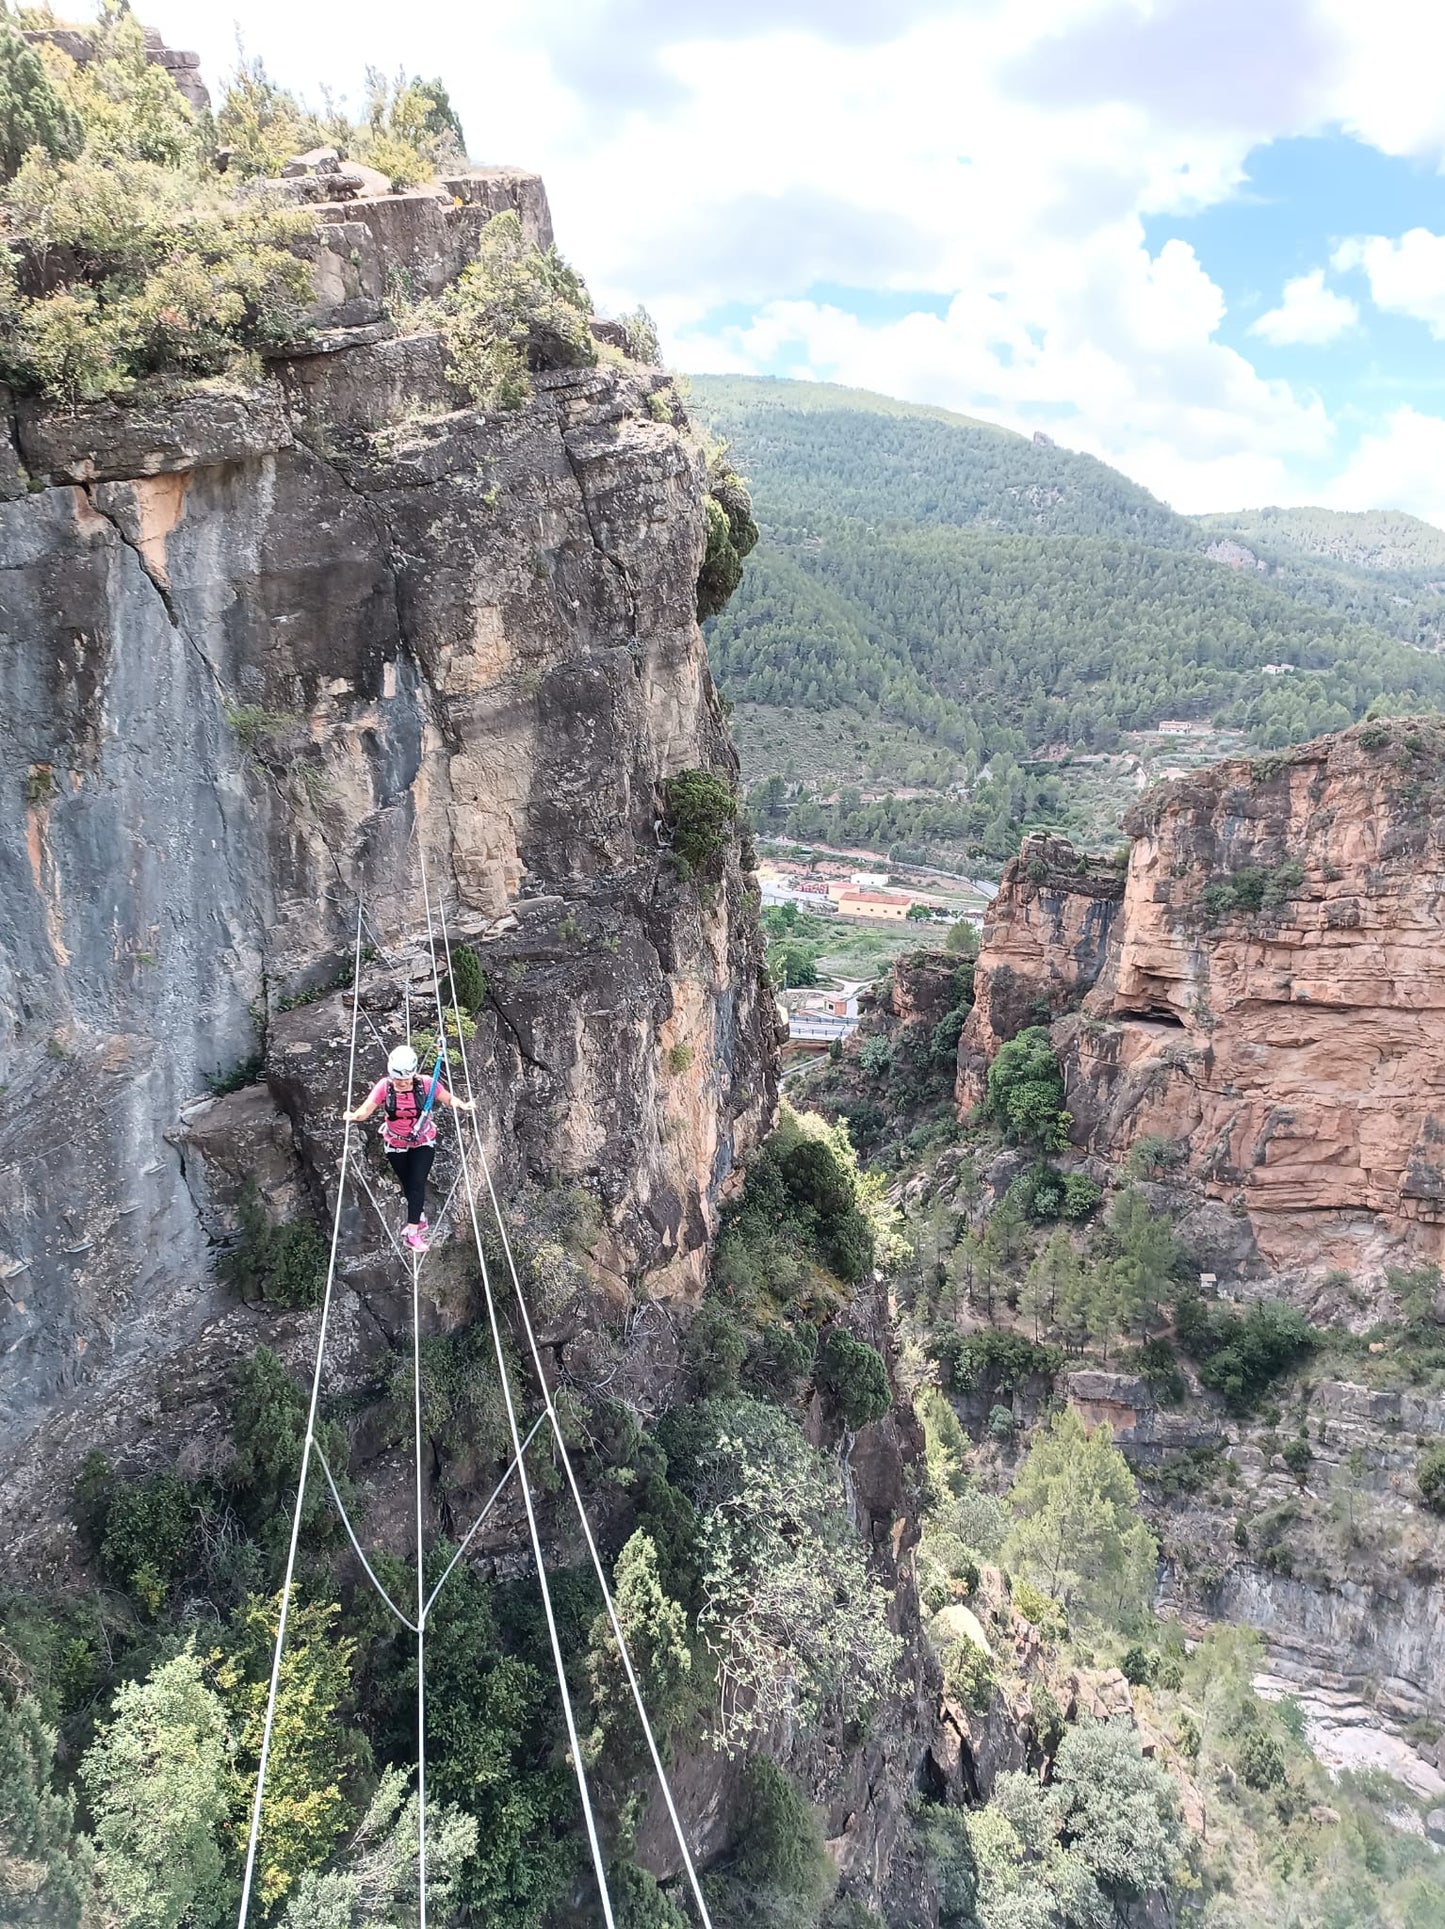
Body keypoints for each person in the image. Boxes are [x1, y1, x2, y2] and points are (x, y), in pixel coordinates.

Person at [343, 1044, 474, 1252]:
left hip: (422, 1140)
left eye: (406, 1079)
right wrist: (353, 1116)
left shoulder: (426, 1084)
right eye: (398, 1080)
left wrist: (463, 1105)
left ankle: (412, 1233)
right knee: (408, 1184)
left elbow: (448, 1099)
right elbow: (366, 1110)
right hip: (395, 1142)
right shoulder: (385, 1087)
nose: (402, 1084)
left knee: (416, 1183)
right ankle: (419, 1218)